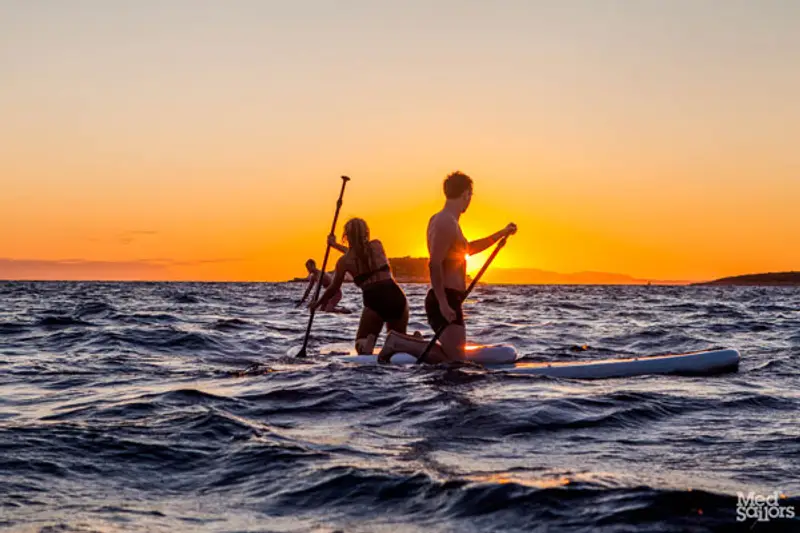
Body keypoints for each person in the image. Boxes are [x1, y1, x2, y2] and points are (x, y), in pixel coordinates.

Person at [378, 171, 516, 363]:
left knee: (454, 359)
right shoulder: (444, 221)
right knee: (455, 360)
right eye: (470, 196)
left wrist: (500, 234)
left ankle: (408, 343)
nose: (470, 201)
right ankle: (399, 343)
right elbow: (435, 264)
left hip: (451, 297)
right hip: (444, 297)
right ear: (466, 194)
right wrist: (443, 303)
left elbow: (468, 249)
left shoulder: (452, 223)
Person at [309, 218, 409, 354]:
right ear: (366, 232)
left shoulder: (344, 262)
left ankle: (366, 343)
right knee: (398, 341)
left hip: (375, 301)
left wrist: (318, 303)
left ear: (346, 236)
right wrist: (335, 245)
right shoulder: (377, 245)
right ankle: (407, 342)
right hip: (396, 296)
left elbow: (333, 288)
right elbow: (361, 252)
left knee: (360, 343)